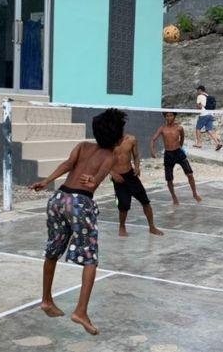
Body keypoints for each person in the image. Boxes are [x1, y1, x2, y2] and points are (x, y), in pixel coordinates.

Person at [28, 108, 126, 336]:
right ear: (118, 138)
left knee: (52, 249)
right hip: (80, 203)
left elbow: (66, 165)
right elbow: (95, 181)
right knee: (90, 257)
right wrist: (92, 181)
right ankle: (81, 311)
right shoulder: (110, 156)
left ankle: (46, 300)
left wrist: (46, 181)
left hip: (58, 199)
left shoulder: (83, 146)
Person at [108, 133, 163, 237]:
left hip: (131, 175)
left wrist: (137, 167)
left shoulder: (131, 139)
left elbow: (136, 156)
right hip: (118, 178)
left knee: (145, 201)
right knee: (123, 205)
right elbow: (103, 160)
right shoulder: (109, 141)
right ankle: (122, 226)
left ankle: (152, 227)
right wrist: (112, 173)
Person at [151, 112, 202, 204]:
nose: (169, 117)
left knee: (189, 174)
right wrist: (152, 151)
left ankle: (194, 193)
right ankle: (174, 197)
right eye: (167, 116)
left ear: (174, 117)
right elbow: (153, 139)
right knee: (169, 178)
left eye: (171, 115)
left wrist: (180, 147)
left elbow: (182, 138)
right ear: (165, 117)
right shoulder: (162, 128)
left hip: (178, 152)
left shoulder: (179, 128)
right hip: (168, 154)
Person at [193, 85, 222, 151]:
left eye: (197, 90)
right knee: (209, 130)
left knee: (198, 128)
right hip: (211, 114)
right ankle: (217, 143)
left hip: (204, 114)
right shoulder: (208, 96)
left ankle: (199, 143)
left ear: (200, 90)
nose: (197, 91)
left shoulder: (200, 96)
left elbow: (199, 107)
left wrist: (198, 105)